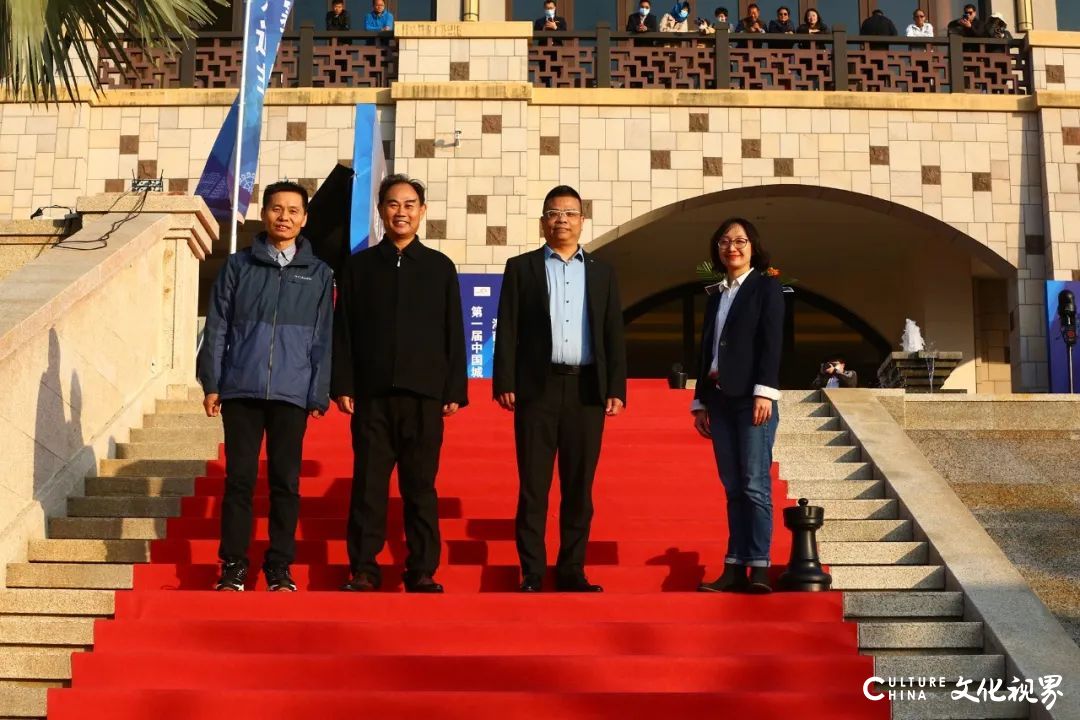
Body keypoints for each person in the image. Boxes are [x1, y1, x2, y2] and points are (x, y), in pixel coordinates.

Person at [331, 174, 468, 594]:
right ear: (381, 211)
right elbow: (345, 330)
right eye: (393, 204)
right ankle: (365, 569)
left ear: (422, 212)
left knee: (420, 487)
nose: (401, 212)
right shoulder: (359, 266)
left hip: (424, 396)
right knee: (369, 485)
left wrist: (454, 389)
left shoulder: (439, 267)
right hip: (372, 395)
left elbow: (452, 331)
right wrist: (343, 383)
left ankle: (422, 569)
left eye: (410, 205)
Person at [198, 181, 334, 593]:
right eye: (277, 209)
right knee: (239, 479)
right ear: (264, 213)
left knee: (284, 481)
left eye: (294, 210)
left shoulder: (319, 273)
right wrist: (212, 381)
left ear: (305, 219)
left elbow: (323, 337)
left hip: (292, 393)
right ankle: (234, 565)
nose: (284, 217)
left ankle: (279, 566)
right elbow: (217, 325)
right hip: (241, 388)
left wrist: (318, 390)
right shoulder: (238, 266)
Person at [494, 185, 627, 594]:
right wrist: (505, 381)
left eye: (570, 213)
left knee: (578, 486)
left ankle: (572, 570)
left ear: (582, 221)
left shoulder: (602, 273)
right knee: (533, 485)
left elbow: (611, 334)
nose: (562, 220)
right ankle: (532, 572)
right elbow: (509, 327)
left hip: (586, 388)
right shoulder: (522, 268)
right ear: (542, 221)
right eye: (554, 213)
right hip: (538, 388)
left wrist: (615, 387)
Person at [691, 218, 783, 595]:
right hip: (720, 398)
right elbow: (707, 350)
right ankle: (733, 566)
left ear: (753, 247)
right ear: (717, 249)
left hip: (752, 399)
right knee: (732, 487)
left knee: (754, 484)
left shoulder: (766, 287)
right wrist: (699, 399)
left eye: (740, 240)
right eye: (725, 241)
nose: (733, 247)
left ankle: (758, 566)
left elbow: (771, 342)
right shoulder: (717, 295)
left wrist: (765, 391)